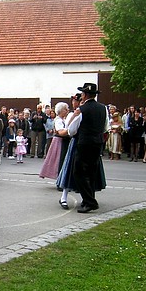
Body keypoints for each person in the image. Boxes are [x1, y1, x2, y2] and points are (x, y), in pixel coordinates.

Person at [72, 83, 108, 213]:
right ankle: (88, 200)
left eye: (82, 93)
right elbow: (105, 127)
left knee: (79, 172)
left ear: (85, 95)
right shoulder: (103, 108)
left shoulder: (82, 109)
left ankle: (90, 201)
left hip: (85, 142)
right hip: (97, 142)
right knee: (91, 172)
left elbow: (72, 130)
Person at [39, 102, 71, 180]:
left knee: (61, 160)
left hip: (62, 140)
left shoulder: (63, 119)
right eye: (65, 109)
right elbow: (60, 132)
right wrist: (71, 130)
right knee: (58, 160)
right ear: (61, 110)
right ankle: (59, 179)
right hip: (59, 141)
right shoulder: (58, 120)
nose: (67, 111)